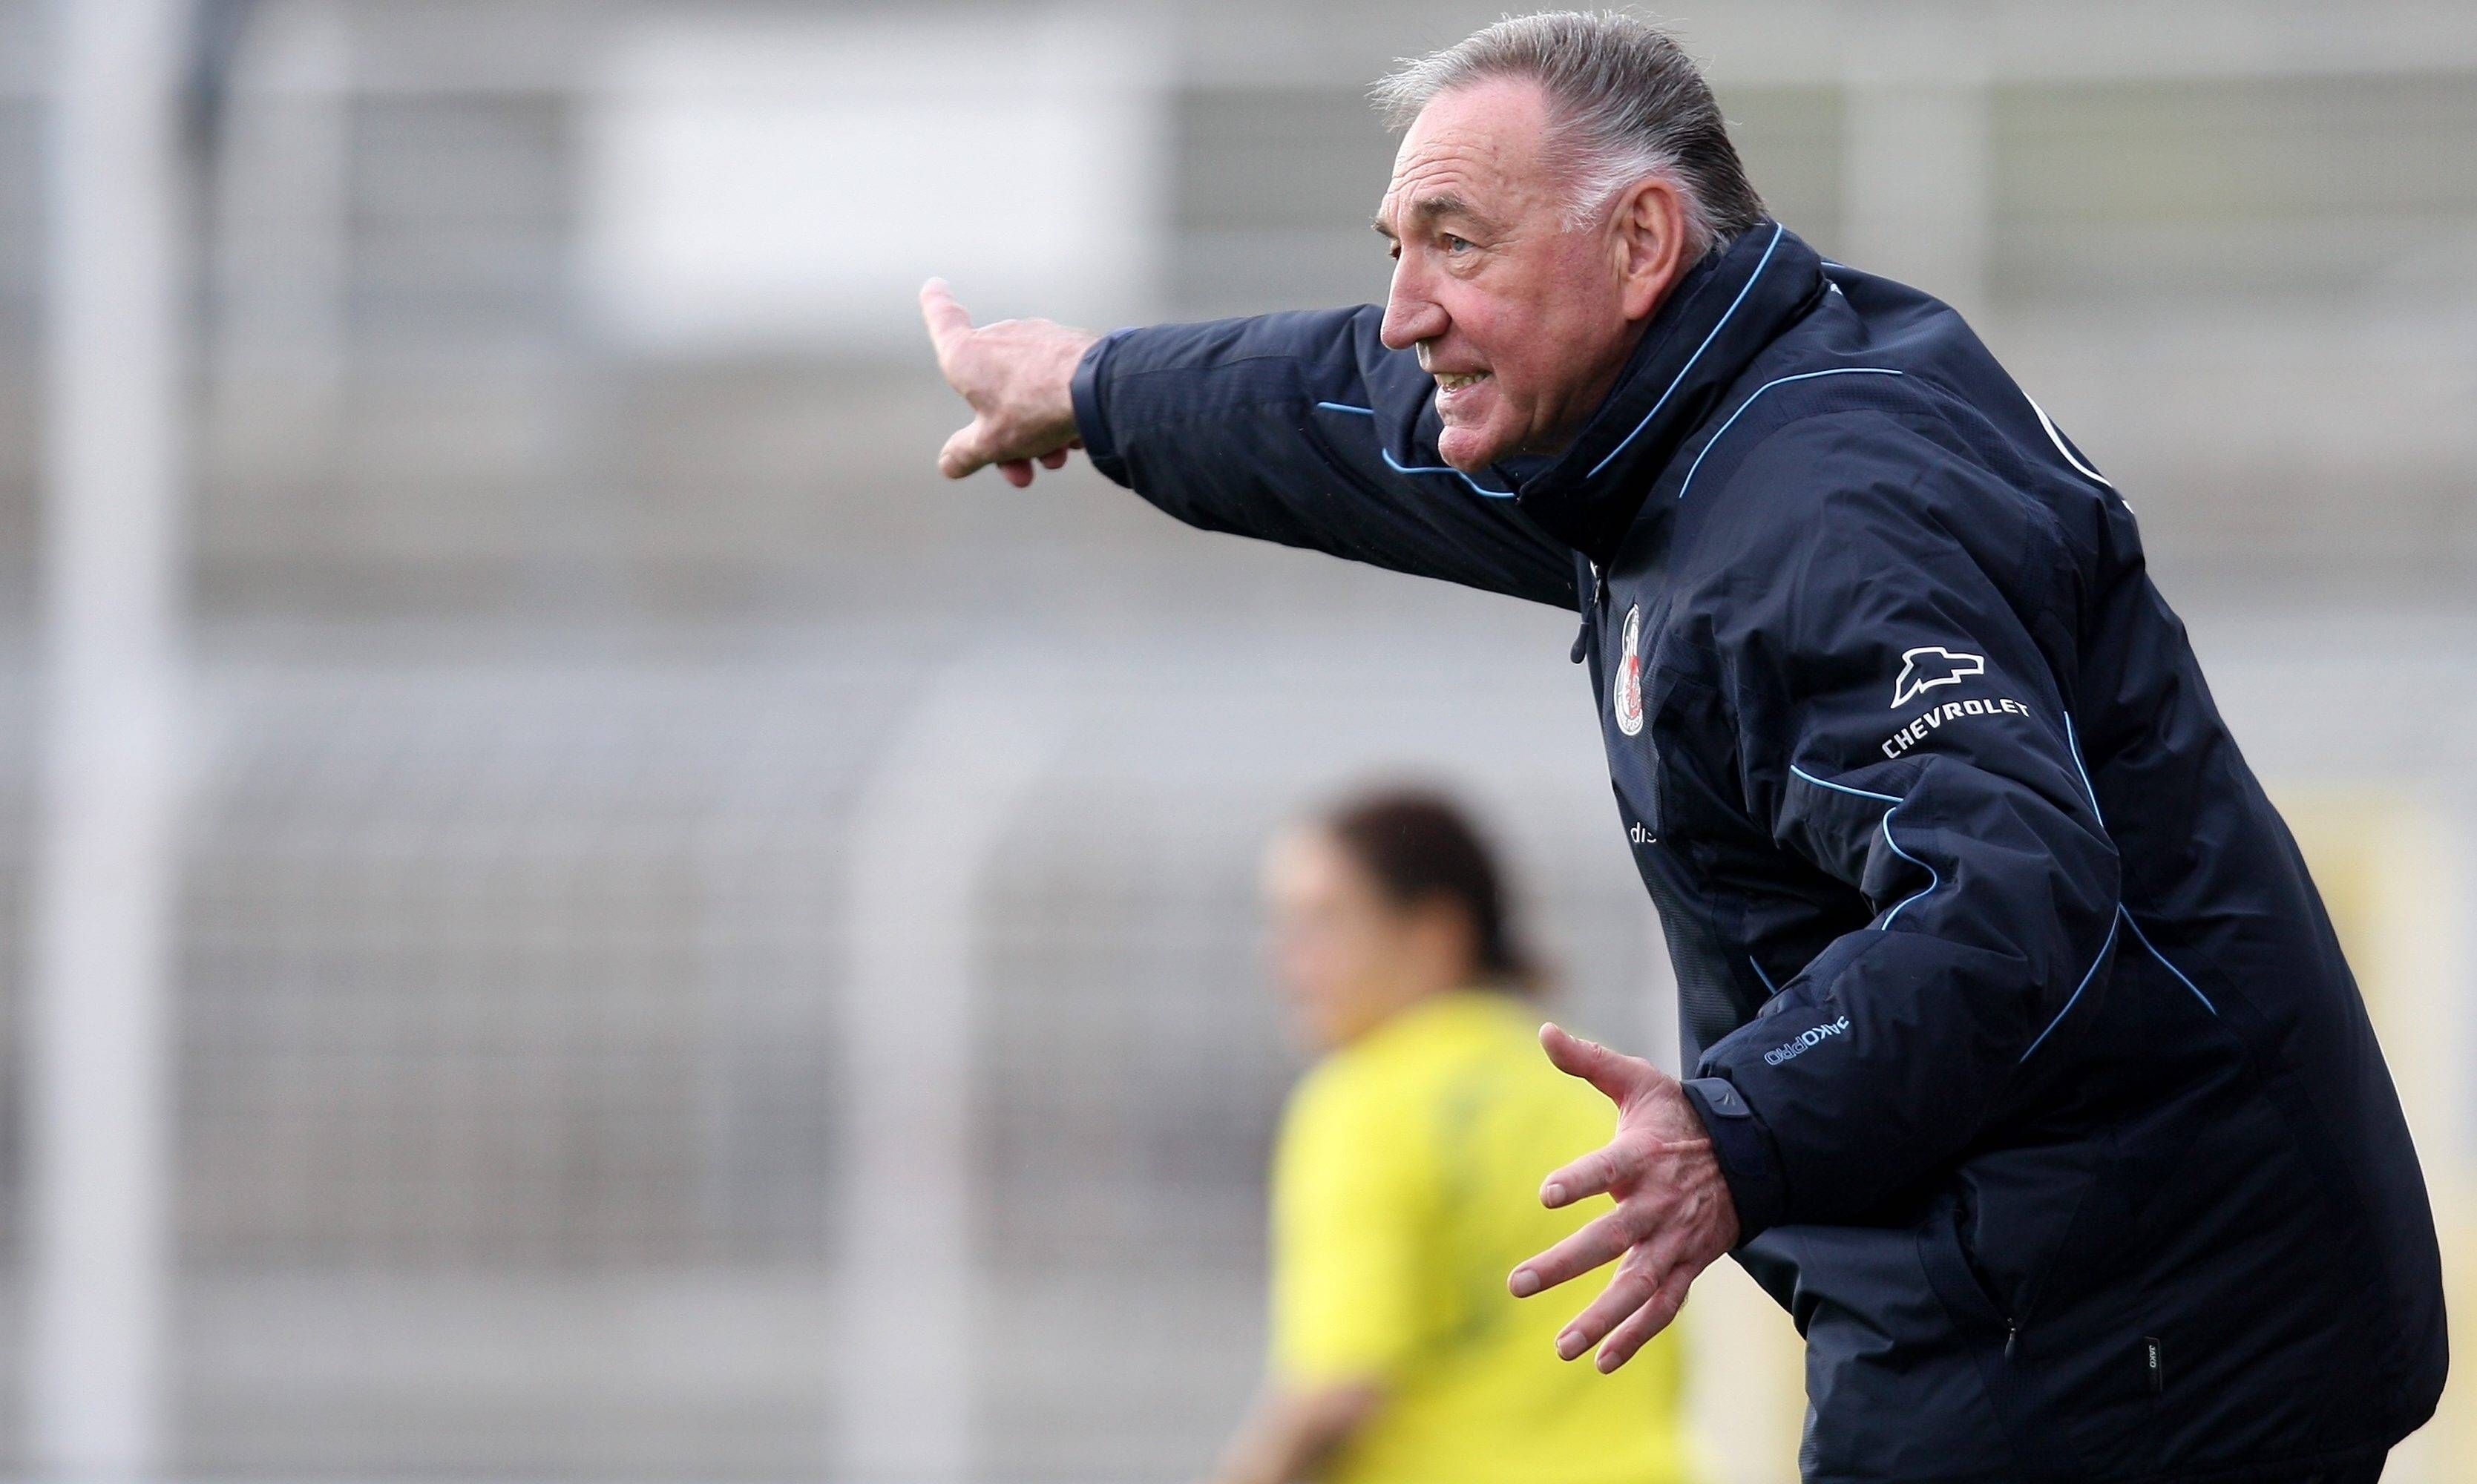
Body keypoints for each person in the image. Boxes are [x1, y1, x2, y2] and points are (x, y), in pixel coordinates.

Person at [919, 12, 2447, 1483]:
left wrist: (1737, 1126)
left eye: (1456, 242)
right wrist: (1096, 390)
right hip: (2071, 1291)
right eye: (1398, 250)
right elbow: (1358, 412)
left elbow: (2006, 885)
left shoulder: (1814, 512)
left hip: (2133, 1336)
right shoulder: (1679, 419)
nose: (1406, 306)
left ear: (1641, 242)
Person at [1207, 787, 1690, 1484]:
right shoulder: (1592, 1090)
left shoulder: (1368, 1098)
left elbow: (1336, 1391)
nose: (1285, 962)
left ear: (1434, 934)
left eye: (1322, 923)